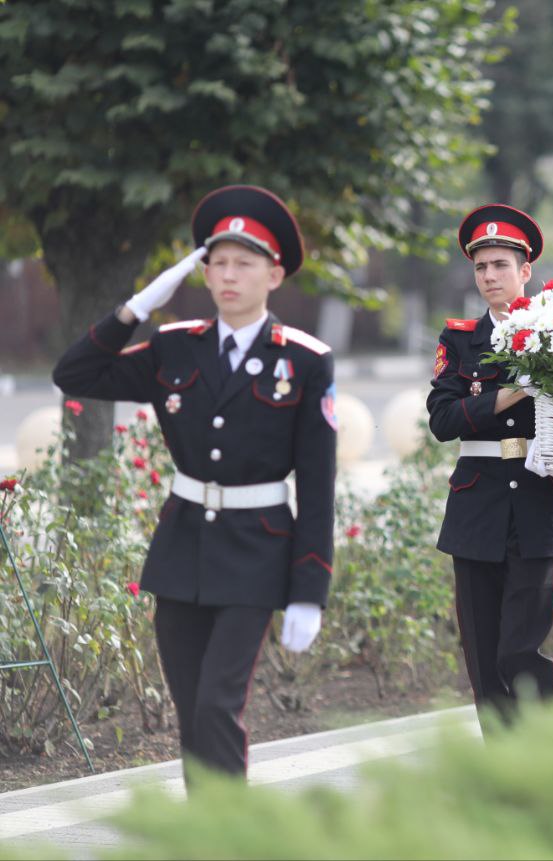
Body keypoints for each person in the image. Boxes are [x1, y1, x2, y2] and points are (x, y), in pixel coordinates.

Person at [52, 185, 335, 781]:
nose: (228, 275)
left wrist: (309, 589)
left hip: (257, 550)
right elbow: (75, 372)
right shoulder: (174, 347)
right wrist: (135, 308)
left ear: (274, 274)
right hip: (182, 547)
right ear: (202, 273)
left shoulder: (305, 362)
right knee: (191, 713)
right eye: (217, 263)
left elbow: (317, 483)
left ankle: (226, 837)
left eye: (244, 263)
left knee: (217, 706)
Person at [426, 204, 553, 734]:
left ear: (525, 270)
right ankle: (503, 775)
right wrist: (509, 394)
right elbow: (442, 420)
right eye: (481, 267)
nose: (490, 276)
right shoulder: (460, 340)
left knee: (520, 649)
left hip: (536, 502)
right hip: (476, 507)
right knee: (484, 659)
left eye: (501, 266)